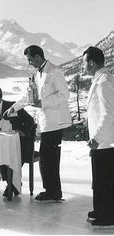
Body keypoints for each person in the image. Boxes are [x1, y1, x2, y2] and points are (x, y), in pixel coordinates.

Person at [4, 45, 71, 202]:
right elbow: (29, 97)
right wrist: (13, 108)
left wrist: (43, 102)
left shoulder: (54, 71)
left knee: (50, 159)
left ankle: (53, 192)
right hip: (45, 122)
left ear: (38, 57)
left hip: (55, 121)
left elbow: (64, 94)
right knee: (47, 159)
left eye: (30, 60)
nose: (29, 63)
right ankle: (52, 191)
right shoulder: (37, 75)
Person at [0, 85, 35, 197]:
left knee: (8, 153)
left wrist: (23, 131)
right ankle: (11, 183)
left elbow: (30, 121)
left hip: (20, 143)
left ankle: (12, 183)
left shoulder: (12, 106)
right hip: (0, 144)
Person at [83, 46, 114, 227]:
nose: (82, 66)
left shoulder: (104, 82)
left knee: (105, 180)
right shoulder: (100, 79)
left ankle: (108, 216)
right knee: (100, 179)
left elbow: (109, 114)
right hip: (101, 140)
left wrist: (96, 137)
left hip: (105, 141)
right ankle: (100, 209)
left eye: (84, 62)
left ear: (92, 63)